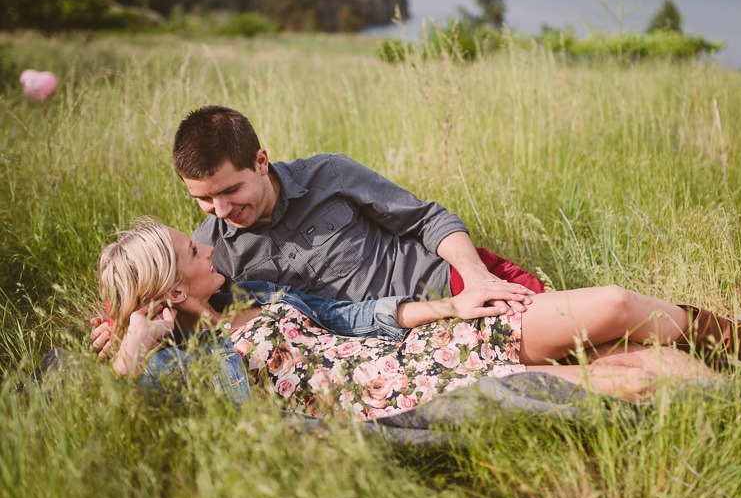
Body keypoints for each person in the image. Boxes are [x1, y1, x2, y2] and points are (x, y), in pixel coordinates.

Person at [97, 219, 741, 419]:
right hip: (404, 394)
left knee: (617, 309)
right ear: (174, 288)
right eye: (188, 248)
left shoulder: (266, 300)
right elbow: (136, 405)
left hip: (427, 343)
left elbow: (360, 313)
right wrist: (133, 347)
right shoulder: (189, 368)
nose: (204, 241)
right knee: (632, 375)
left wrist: (453, 300)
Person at [91, 105, 546, 356]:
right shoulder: (208, 251)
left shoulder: (330, 174)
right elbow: (166, 298)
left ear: (261, 161)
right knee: (544, 364)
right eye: (204, 199)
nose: (221, 209)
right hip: (382, 339)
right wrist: (120, 329)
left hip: (449, 281)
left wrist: (478, 276)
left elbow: (427, 219)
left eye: (230, 190)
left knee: (575, 333)